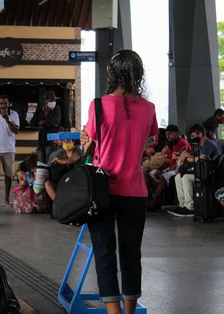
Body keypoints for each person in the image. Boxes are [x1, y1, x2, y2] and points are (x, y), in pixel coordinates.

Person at [80, 50, 158, 314]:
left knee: (104, 254)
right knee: (131, 255)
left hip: (103, 191)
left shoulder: (98, 105)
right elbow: (147, 139)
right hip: (135, 192)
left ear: (110, 73)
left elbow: (89, 143)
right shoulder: (149, 109)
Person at [168, 123, 220, 217]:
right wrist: (183, 156)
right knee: (178, 177)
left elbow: (201, 159)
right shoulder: (198, 145)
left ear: (200, 134)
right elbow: (194, 158)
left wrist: (187, 157)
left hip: (210, 173)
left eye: (193, 136)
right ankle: (182, 205)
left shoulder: (208, 144)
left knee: (186, 178)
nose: (192, 138)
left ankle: (190, 207)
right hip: (200, 171)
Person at [30, 91, 62, 163]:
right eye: (51, 100)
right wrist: (39, 123)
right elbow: (33, 123)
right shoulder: (40, 111)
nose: (53, 102)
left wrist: (42, 122)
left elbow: (55, 122)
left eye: (54, 100)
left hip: (52, 141)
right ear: (45, 101)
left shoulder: (57, 110)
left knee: (50, 161)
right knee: (41, 162)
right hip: (41, 140)